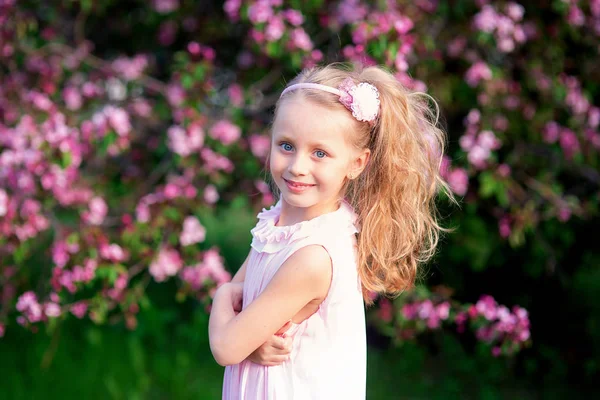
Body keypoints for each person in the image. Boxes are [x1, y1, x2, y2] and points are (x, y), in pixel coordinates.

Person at [209, 63, 454, 399]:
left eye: (320, 153)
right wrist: (248, 338)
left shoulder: (313, 257)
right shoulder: (282, 223)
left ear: (357, 163)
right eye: (286, 145)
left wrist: (221, 296)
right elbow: (244, 302)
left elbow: (226, 345)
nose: (298, 166)